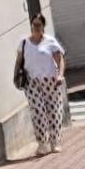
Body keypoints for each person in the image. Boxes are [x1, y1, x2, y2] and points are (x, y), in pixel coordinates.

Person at [15, 12, 66, 155]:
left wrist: (60, 75)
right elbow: (19, 61)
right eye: (34, 25)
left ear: (43, 26)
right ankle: (42, 143)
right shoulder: (24, 43)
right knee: (38, 112)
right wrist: (15, 76)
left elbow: (60, 59)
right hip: (32, 83)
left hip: (51, 80)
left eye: (39, 25)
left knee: (54, 110)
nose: (36, 27)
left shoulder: (50, 41)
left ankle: (55, 142)